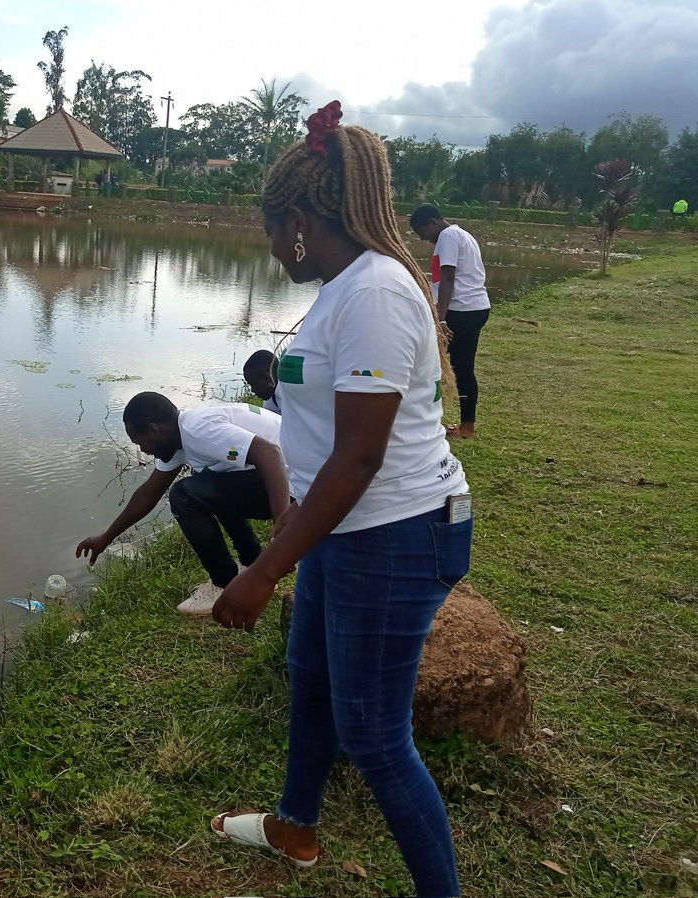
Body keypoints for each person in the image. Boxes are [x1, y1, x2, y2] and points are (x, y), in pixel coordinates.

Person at [208, 101, 472, 898]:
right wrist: (293, 529)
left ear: (297, 220)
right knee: (311, 679)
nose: (269, 246)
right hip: (344, 529)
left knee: (377, 738)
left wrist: (262, 571)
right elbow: (328, 443)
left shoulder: (375, 295)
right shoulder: (345, 287)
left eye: (269, 228)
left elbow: (361, 454)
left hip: (396, 535)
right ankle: (294, 828)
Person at [76, 392, 290, 617]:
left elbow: (270, 453)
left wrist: (284, 530)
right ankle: (253, 563)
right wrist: (106, 538)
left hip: (299, 487)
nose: (143, 451)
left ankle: (224, 583)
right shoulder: (181, 437)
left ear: (155, 431)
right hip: (296, 478)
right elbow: (147, 496)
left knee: (185, 494)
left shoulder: (198, 431)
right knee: (209, 485)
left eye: (140, 443)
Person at [410, 203, 491, 439]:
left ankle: (462, 427)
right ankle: (462, 425)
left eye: (421, 232)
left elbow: (448, 278)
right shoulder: (461, 234)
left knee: (443, 365)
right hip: (474, 308)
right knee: (458, 366)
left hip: (462, 311)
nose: (423, 239)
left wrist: (441, 320)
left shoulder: (448, 236)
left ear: (432, 222)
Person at [243, 349, 281, 414]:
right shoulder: (271, 403)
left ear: (268, 379)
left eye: (254, 385)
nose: (252, 390)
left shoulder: (293, 397)